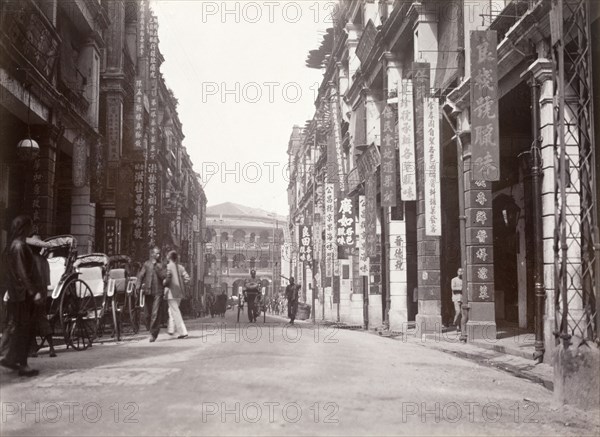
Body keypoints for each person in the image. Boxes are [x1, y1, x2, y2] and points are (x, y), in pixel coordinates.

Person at [0, 215, 42, 376]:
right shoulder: (18, 246)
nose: (32, 229)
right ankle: (22, 364)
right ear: (24, 227)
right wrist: (33, 291)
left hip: (18, 293)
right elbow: (23, 273)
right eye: (30, 226)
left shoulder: (16, 245)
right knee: (24, 328)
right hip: (22, 294)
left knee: (19, 327)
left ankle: (12, 359)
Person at [27, 235, 57, 358]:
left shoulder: (30, 260)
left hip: (33, 293)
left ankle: (33, 349)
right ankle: (51, 347)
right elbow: (47, 281)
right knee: (41, 318)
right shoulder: (44, 261)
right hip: (42, 292)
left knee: (30, 319)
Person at [136, 246, 170, 342]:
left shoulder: (161, 265)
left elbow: (164, 277)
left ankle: (153, 334)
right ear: (152, 254)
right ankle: (151, 329)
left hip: (158, 292)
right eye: (156, 253)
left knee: (155, 313)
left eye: (159, 253)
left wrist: (157, 268)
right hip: (148, 292)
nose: (158, 255)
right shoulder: (146, 264)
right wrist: (138, 286)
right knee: (147, 314)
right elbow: (141, 275)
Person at [164, 251, 190, 339]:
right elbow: (187, 278)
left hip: (171, 292)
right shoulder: (180, 267)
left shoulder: (167, 267)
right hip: (180, 293)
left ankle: (183, 332)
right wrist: (182, 284)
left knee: (175, 311)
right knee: (172, 310)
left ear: (169, 258)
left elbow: (166, 280)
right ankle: (171, 329)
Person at [451, 268, 463, 332]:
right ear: (457, 272)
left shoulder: (464, 280)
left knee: (461, 313)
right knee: (458, 311)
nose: (460, 272)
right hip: (456, 298)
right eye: (459, 271)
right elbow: (453, 288)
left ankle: (458, 326)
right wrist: (461, 288)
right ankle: (455, 321)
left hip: (462, 298)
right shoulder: (454, 279)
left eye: (462, 271)